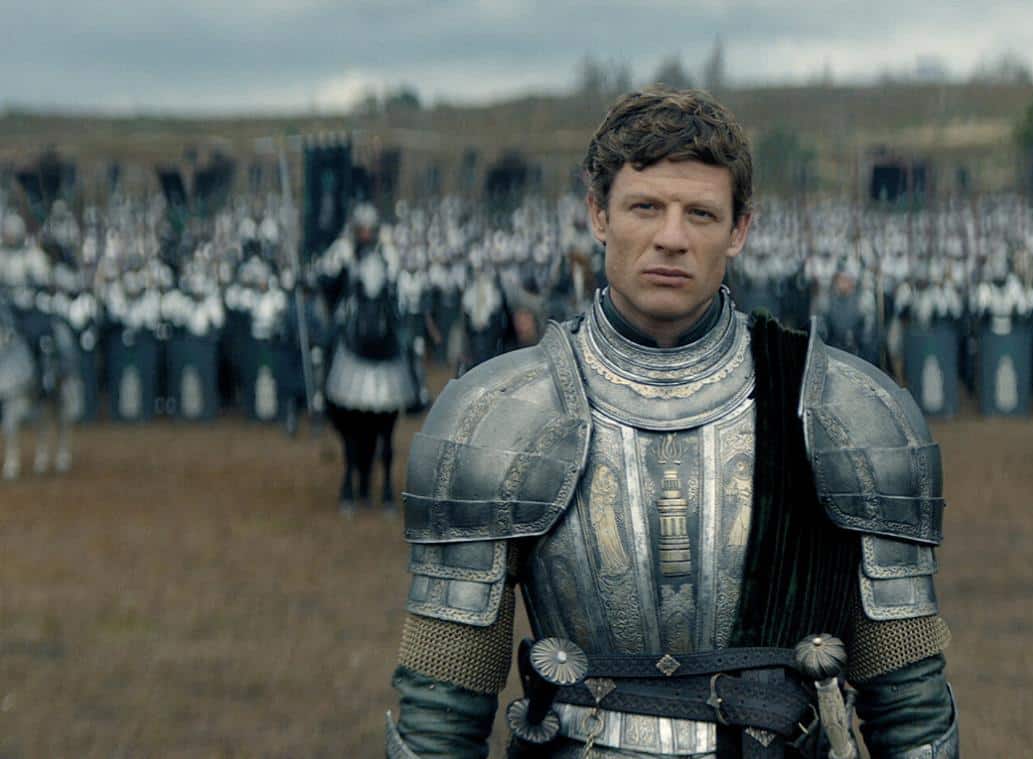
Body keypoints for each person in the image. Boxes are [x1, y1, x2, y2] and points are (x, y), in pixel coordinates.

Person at [385, 87, 958, 758]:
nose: (672, 238)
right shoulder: (498, 415)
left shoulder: (844, 408)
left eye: (701, 213)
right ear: (599, 214)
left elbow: (911, 711)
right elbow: (440, 718)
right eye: (645, 207)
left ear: (739, 230)